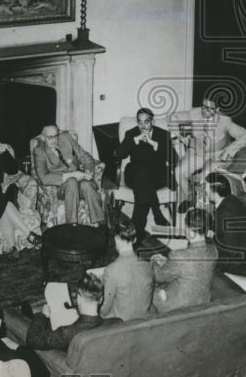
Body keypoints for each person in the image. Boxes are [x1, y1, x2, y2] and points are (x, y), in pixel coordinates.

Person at [110, 108, 174, 238]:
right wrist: (135, 140)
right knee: (142, 174)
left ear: (153, 121)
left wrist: (154, 144)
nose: (143, 126)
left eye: (146, 122)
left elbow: (175, 159)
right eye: (140, 122)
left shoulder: (163, 134)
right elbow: (118, 154)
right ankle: (157, 214)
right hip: (134, 174)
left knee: (143, 182)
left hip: (156, 175)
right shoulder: (131, 134)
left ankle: (137, 228)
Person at [22, 272, 117, 352]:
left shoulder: (66, 333)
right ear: (101, 299)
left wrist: (41, 315)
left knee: (29, 324)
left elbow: (32, 340)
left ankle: (28, 317)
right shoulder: (115, 323)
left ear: (79, 298)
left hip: (61, 361)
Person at [33, 125, 105, 227]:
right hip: (62, 187)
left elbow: (86, 157)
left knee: (86, 185)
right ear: (43, 137)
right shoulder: (39, 151)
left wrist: (88, 172)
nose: (54, 140)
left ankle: (98, 224)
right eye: (50, 137)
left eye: (56, 136)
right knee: (71, 181)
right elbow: (44, 178)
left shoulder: (66, 138)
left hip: (80, 181)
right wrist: (72, 175)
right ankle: (72, 225)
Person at [151, 208, 218, 314]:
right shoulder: (213, 251)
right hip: (202, 301)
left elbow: (159, 277)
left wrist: (154, 261)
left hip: (177, 306)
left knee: (146, 287)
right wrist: (168, 262)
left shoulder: (178, 256)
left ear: (188, 229)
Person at [206, 172, 246, 278]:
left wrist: (210, 244)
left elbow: (230, 250)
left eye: (206, 188)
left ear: (214, 191)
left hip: (243, 265)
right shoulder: (231, 200)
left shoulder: (226, 213)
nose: (205, 191)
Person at [99, 220, 154, 322]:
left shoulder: (111, 270)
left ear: (116, 239)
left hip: (121, 324)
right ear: (135, 240)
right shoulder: (148, 266)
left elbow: (105, 308)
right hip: (143, 320)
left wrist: (99, 312)